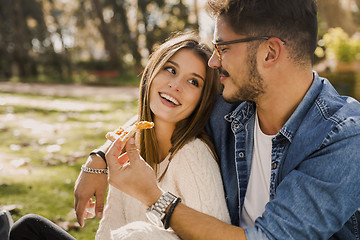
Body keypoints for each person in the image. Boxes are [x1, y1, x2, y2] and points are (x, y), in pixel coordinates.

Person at [100, 0, 360, 240]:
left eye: (223, 48)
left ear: (269, 53)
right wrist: (98, 159)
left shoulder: (343, 137)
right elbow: (165, 106)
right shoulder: (230, 104)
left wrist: (153, 197)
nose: (214, 62)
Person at [10, 32, 230, 239]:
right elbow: (111, 229)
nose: (175, 85)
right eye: (171, 70)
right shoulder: (132, 149)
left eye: (194, 82)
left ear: (203, 99)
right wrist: (98, 159)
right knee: (28, 228)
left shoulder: (193, 155)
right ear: (152, 73)